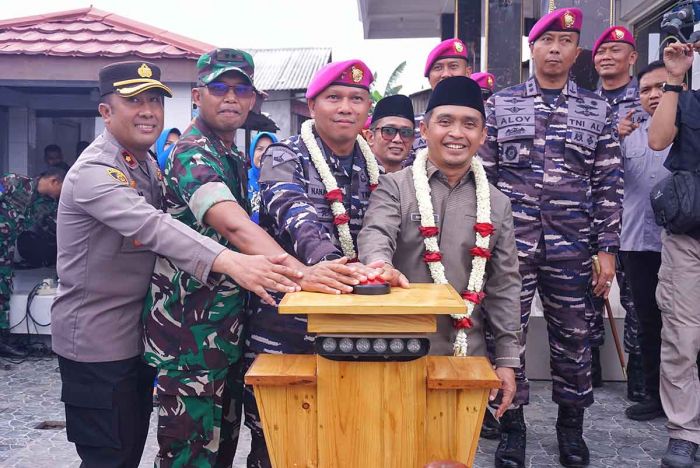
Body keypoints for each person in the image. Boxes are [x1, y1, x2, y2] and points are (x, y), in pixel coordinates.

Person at [51, 60, 301, 468]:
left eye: (155, 100)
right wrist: (228, 260)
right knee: (110, 457)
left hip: (140, 338)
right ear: (106, 112)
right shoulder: (95, 172)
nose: (148, 110)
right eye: (134, 101)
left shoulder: (145, 162)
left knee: (136, 448)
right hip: (97, 345)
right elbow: (154, 226)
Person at [142, 50, 366, 467]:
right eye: (219, 88)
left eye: (241, 89)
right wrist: (302, 272)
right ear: (196, 95)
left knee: (220, 452)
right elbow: (233, 226)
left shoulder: (230, 153)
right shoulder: (193, 153)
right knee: (188, 457)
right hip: (189, 338)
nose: (231, 97)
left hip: (224, 334)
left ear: (253, 99)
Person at [480, 8, 622, 467]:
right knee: (506, 335)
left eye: (566, 41)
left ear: (576, 52)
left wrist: (607, 250)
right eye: (548, 41)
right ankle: (511, 426)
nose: (556, 49)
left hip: (574, 244)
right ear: (533, 48)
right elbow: (485, 179)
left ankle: (571, 429)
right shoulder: (500, 105)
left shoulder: (597, 109)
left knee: (574, 337)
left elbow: (608, 182)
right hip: (510, 245)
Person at [358, 76, 521, 445]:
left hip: (465, 355)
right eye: (445, 121)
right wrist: (379, 264)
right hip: (397, 350)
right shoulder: (395, 187)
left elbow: (505, 285)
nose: (456, 133)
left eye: (469, 124)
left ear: (482, 136)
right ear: (425, 129)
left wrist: (508, 360)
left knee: (451, 451)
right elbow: (375, 233)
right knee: (391, 449)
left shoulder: (497, 204)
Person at [243, 58, 383, 467]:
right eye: (334, 97)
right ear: (311, 105)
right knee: (275, 437)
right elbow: (293, 211)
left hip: (348, 324)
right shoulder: (285, 155)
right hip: (284, 325)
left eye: (357, 98)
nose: (346, 107)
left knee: (340, 434)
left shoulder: (374, 164)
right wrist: (329, 262)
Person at [647, 40, 700, 468]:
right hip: (688, 237)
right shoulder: (685, 98)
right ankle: (684, 432)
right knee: (682, 337)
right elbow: (658, 138)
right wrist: (675, 78)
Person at [615, 60, 672, 422]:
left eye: (661, 87)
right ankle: (655, 395)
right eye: (646, 89)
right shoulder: (628, 133)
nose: (653, 95)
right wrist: (613, 138)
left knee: (684, 322)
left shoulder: (689, 129)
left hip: (679, 240)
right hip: (637, 241)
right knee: (648, 320)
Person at [591, 25, 644, 397]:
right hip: (591, 218)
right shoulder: (586, 104)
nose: (607, 56)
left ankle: (640, 378)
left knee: (637, 300)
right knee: (585, 295)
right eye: (601, 51)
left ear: (633, 57)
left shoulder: (648, 99)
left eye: (616, 49)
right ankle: (587, 369)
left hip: (638, 218)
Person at [0, 167, 65, 357]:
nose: (60, 195)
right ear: (54, 181)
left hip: (5, 253)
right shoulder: (14, 182)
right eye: (61, 189)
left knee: (3, 290)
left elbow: (58, 229)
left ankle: (2, 340)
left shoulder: (47, 205)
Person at [408, 38, 472, 160]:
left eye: (453, 66)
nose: (446, 74)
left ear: (468, 73)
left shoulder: (487, 120)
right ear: (429, 78)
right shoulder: (412, 124)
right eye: (438, 68)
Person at [366, 94, 415, 172]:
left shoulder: (420, 180)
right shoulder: (352, 177)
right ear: (370, 137)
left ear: (412, 140)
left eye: (405, 132)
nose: (397, 139)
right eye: (388, 131)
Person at [248, 131, 278, 223]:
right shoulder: (242, 179)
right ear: (252, 152)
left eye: (270, 149)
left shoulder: (284, 182)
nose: (264, 153)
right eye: (259, 149)